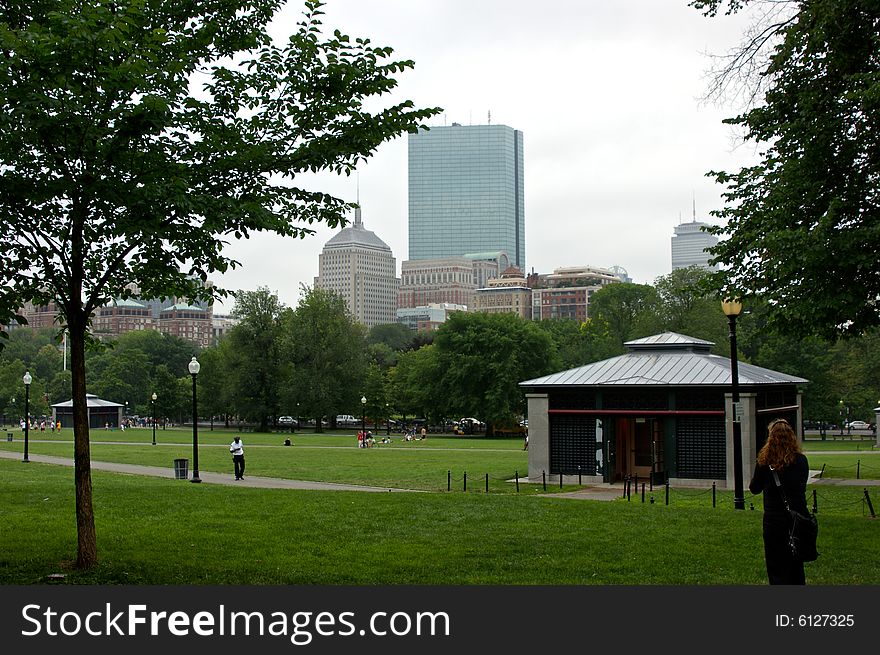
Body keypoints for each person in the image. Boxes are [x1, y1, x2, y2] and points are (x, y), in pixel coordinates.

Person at [748, 418, 810, 585]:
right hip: (796, 518)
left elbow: (754, 488)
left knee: (775, 563)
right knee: (796, 561)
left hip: (774, 519)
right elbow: (801, 485)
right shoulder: (801, 461)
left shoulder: (764, 462)